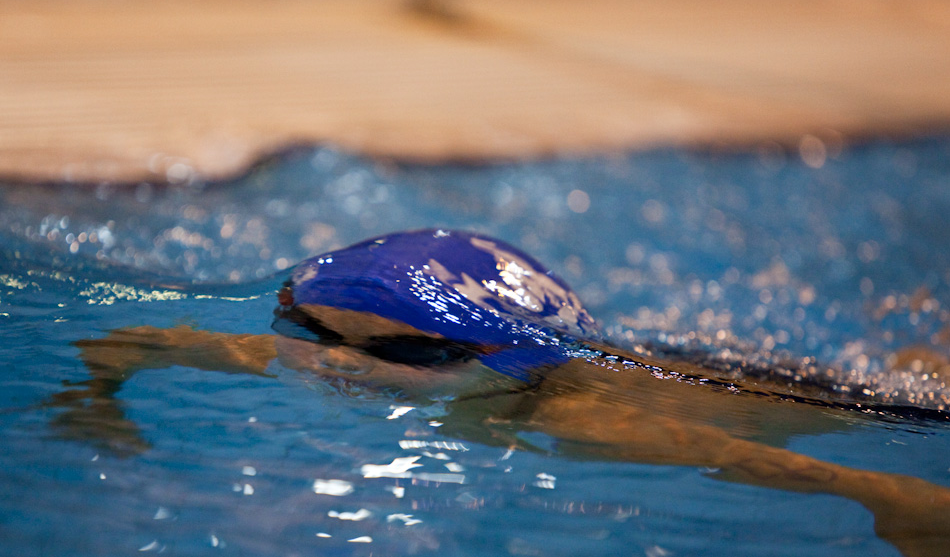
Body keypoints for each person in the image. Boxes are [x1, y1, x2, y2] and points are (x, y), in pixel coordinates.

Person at [50, 230, 950, 556]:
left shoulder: (586, 421)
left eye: (403, 349)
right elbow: (131, 341)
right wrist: (97, 401)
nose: (339, 366)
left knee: (913, 377)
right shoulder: (317, 357)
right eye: (311, 328)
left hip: (805, 392)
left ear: (503, 360)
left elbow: (814, 473)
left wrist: (890, 498)